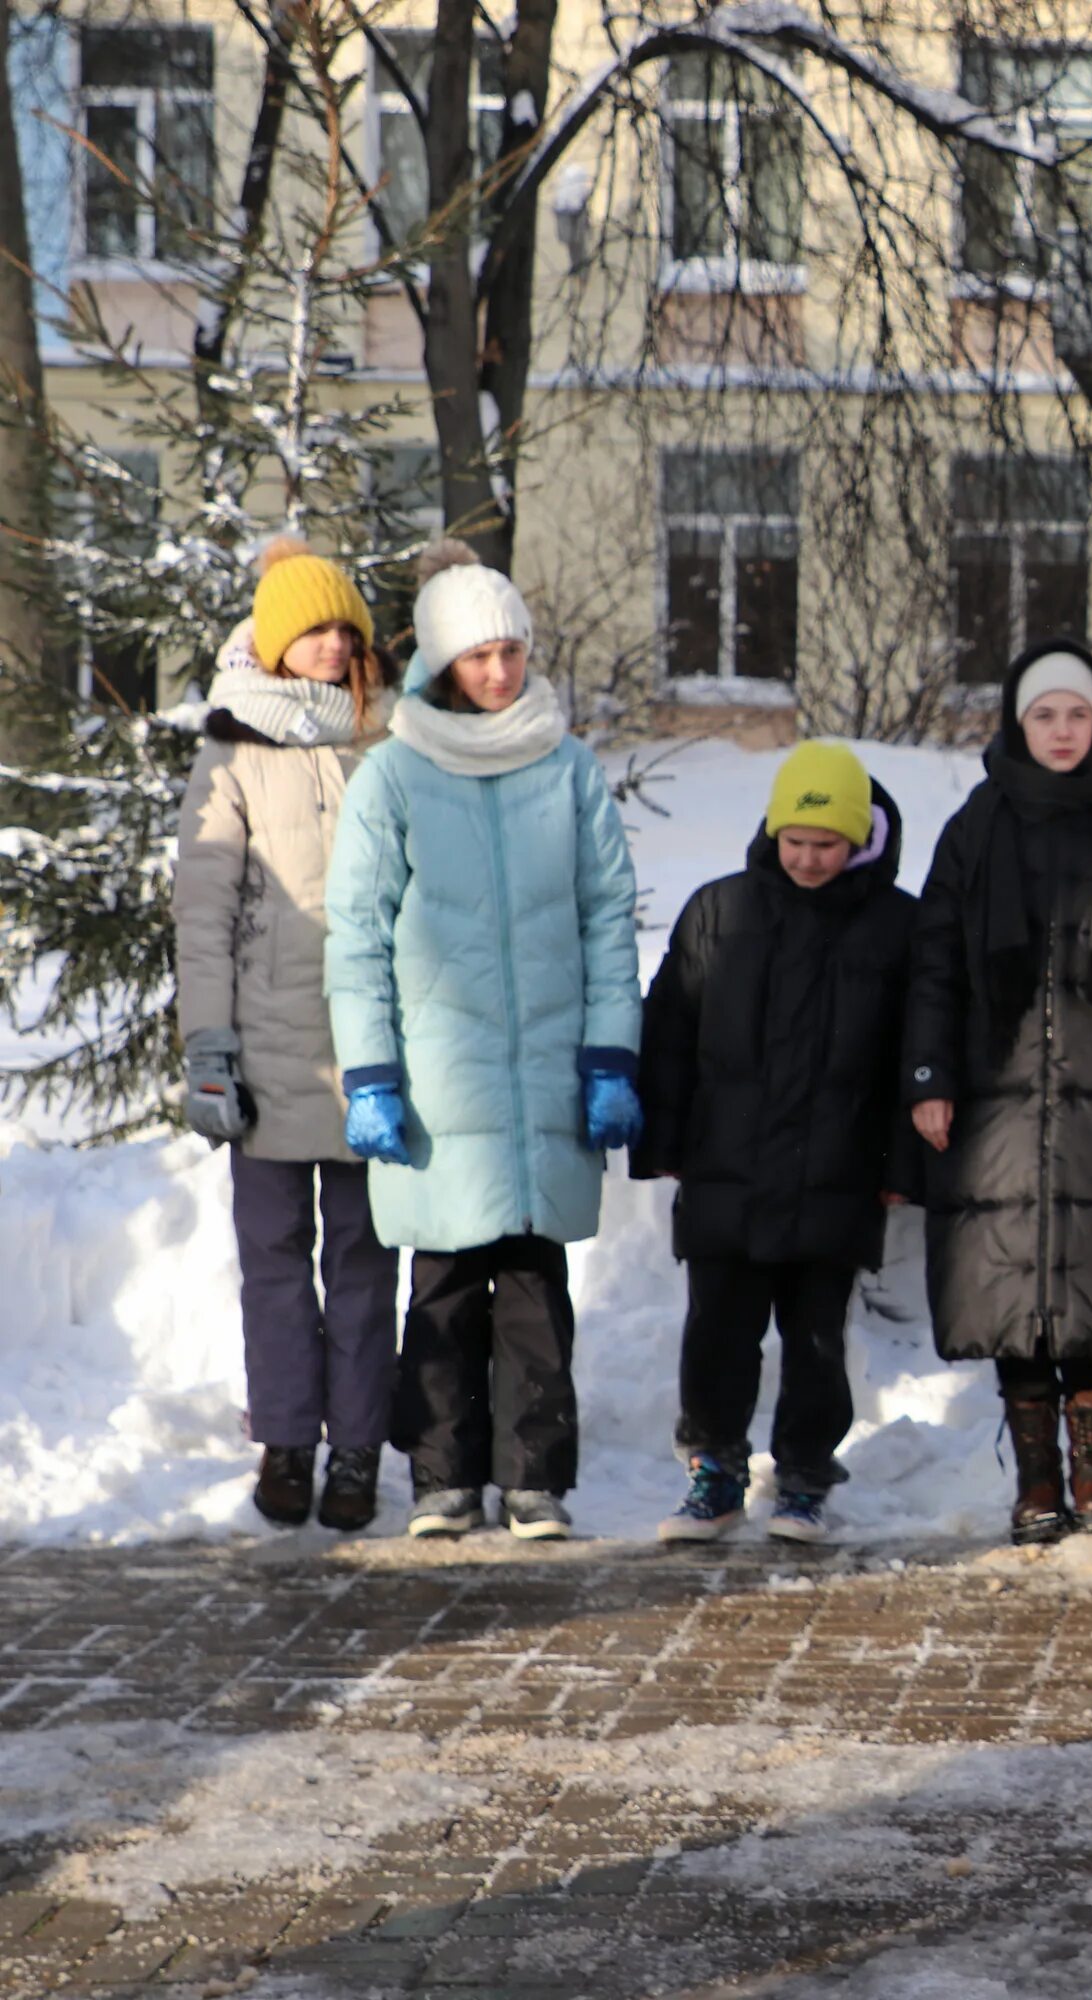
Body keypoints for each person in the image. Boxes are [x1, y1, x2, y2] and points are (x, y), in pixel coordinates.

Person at [324, 541, 642, 1543]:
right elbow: (358, 936)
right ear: (443, 664)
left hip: (547, 1075)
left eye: (511, 650)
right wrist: (370, 1073)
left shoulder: (568, 767)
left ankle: (536, 1479)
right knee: (447, 1289)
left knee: (537, 1291)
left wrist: (609, 1052)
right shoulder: (397, 777)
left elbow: (607, 919)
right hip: (440, 1082)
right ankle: (443, 1480)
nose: (499, 671)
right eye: (479, 655)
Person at [905, 641, 1092, 1547]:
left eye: (1077, 714)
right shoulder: (976, 824)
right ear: (1017, 723)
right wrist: (929, 1078)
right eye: (1045, 715)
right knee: (1006, 1283)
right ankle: (1037, 1478)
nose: (1063, 731)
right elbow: (935, 969)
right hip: (995, 1092)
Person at [633, 741, 920, 1545]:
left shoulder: (897, 926)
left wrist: (905, 1161)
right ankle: (715, 1471)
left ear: (861, 838)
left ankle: (803, 1474)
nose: (807, 858)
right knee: (718, 1331)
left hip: (838, 1169)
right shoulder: (719, 911)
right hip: (728, 1166)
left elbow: (916, 1050)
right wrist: (665, 1137)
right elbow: (671, 1031)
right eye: (794, 841)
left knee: (818, 1339)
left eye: (825, 845)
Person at [175, 537, 402, 1532]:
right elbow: (203, 911)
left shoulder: (386, 742)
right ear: (272, 644)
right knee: (273, 1257)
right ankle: (286, 1439)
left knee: (362, 1259)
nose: (327, 642)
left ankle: (357, 1444)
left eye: (339, 626)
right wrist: (209, 1047)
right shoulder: (231, 753)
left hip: (368, 1054)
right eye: (307, 627)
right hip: (266, 1057)